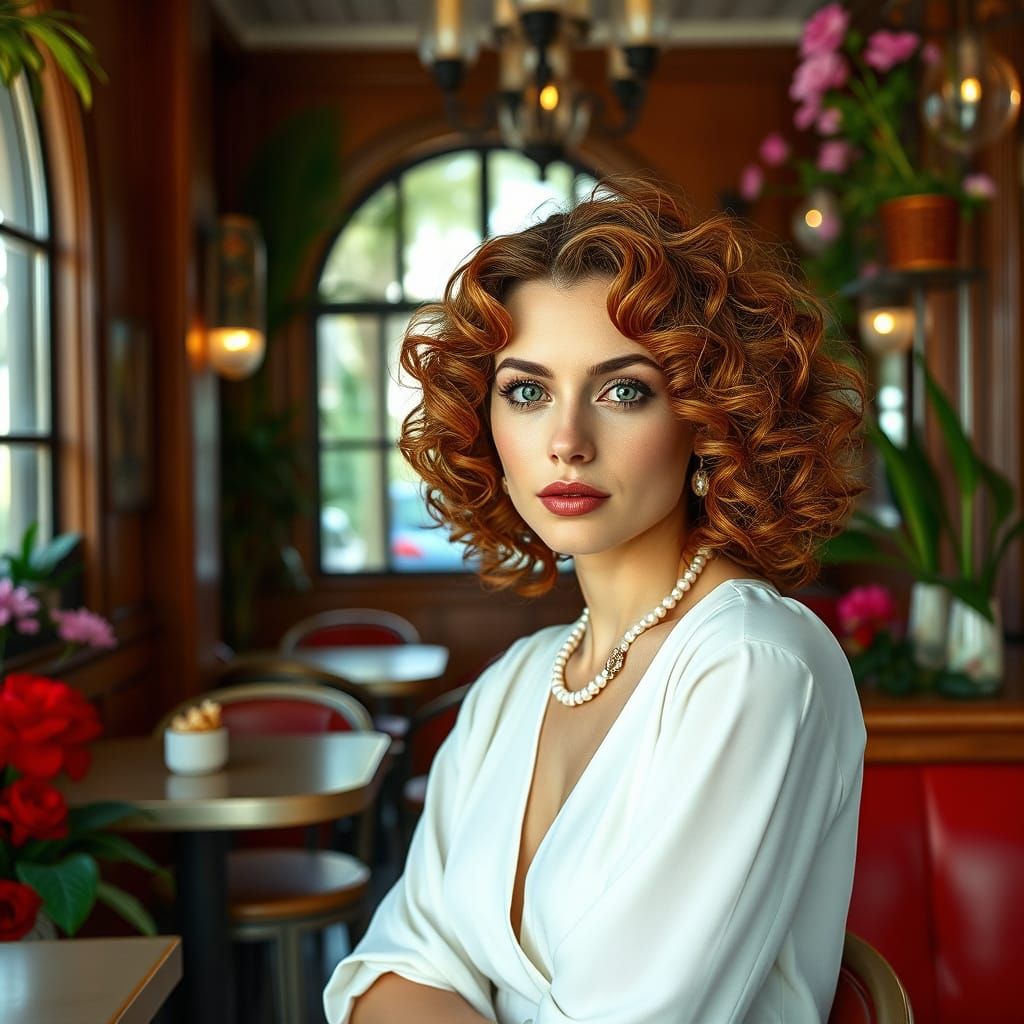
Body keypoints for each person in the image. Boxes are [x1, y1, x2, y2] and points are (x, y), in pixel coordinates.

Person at [324, 177, 867, 1024]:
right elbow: (393, 966)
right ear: (486, 422)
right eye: (527, 391)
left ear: (706, 416)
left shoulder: (752, 668)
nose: (567, 441)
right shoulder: (515, 683)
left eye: (624, 390)